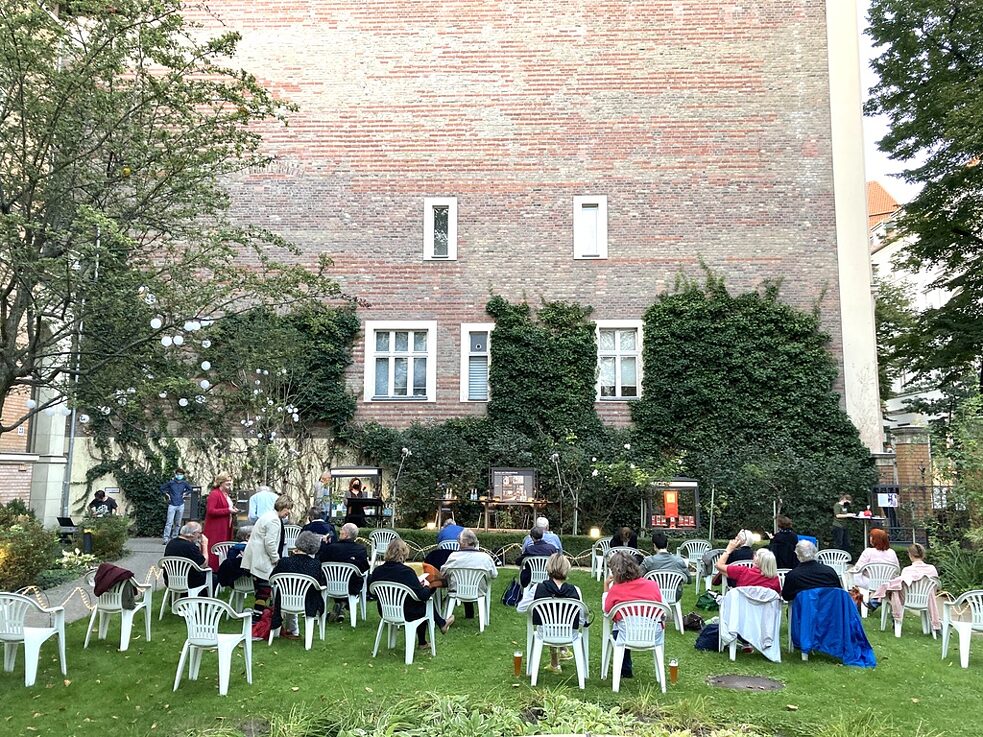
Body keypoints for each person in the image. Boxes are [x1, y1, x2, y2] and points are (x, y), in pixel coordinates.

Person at [368, 539, 453, 650]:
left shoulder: (377, 571)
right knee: (424, 602)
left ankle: (437, 628)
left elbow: (372, 593)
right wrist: (427, 586)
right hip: (407, 612)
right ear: (404, 553)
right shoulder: (406, 572)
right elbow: (422, 595)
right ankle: (432, 632)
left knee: (419, 602)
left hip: (385, 610)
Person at [603, 551, 662, 679]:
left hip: (626, 633)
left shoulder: (616, 590)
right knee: (624, 625)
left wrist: (606, 586)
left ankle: (625, 668)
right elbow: (660, 606)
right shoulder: (653, 585)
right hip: (652, 633)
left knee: (619, 628)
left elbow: (607, 610)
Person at [518, 552, 581, 673]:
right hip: (569, 633)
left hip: (545, 632)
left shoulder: (538, 588)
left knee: (549, 623)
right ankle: (556, 662)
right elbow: (582, 619)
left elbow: (521, 608)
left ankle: (554, 664)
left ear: (548, 568)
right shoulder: (576, 590)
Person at [241, 494, 294, 619]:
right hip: (262, 558)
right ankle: (258, 618)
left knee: (260, 590)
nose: (289, 512)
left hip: (255, 556)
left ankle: (260, 615)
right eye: (288, 509)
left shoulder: (266, 515)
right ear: (282, 506)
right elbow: (269, 543)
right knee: (264, 590)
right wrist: (276, 558)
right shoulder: (274, 520)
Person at [270, 531, 328, 640]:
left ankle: (291, 630)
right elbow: (321, 584)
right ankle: (294, 630)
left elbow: (272, 579)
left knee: (289, 590)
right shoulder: (315, 564)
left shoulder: (284, 562)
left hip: (284, 600)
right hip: (307, 601)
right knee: (314, 593)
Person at [871, 543, 941, 631]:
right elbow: (935, 586)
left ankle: (879, 606)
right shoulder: (932, 569)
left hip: (907, 599)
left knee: (894, 592)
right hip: (926, 600)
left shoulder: (907, 570)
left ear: (910, 555)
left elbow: (900, 585)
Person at [441, 528, 498, 620]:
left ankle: (446, 616)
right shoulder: (485, 558)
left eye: (459, 541)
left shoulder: (453, 557)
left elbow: (442, 573)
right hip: (479, 590)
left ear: (463, 542)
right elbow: (494, 575)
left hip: (456, 589)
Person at [319, 522, 369, 621]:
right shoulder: (360, 549)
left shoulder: (331, 548)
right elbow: (364, 568)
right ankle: (344, 604)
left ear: (346, 534)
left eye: (341, 530)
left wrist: (324, 544)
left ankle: (340, 604)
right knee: (359, 578)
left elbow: (321, 561)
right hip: (351, 586)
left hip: (330, 584)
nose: (340, 532)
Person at [848, 528, 900, 603]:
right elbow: (896, 571)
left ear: (875, 540)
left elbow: (858, 568)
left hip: (870, 582)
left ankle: (857, 600)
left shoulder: (868, 552)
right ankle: (875, 598)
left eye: (872, 537)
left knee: (851, 576)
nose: (870, 539)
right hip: (886, 583)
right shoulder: (892, 552)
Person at [715, 535, 781, 594]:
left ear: (757, 561)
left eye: (756, 554)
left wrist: (729, 549)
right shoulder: (775, 580)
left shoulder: (743, 572)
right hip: (764, 607)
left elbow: (719, 565)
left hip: (743, 606)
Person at [640, 531, 691, 599]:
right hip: (674, 595)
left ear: (654, 545)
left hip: (653, 594)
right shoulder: (679, 560)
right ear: (667, 544)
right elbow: (689, 580)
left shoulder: (648, 561)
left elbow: (637, 576)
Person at [163, 521, 211, 593]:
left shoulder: (171, 543)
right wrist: (204, 545)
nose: (200, 536)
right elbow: (204, 564)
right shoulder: (190, 547)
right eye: (200, 533)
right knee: (214, 578)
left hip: (170, 580)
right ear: (193, 534)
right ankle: (205, 600)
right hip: (190, 581)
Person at [204, 472, 237, 571]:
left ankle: (222, 569)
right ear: (221, 482)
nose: (230, 483)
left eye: (230, 481)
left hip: (225, 526)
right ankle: (213, 570)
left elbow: (226, 507)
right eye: (227, 481)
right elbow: (210, 510)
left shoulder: (225, 494)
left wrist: (232, 510)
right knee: (216, 549)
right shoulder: (214, 494)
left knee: (224, 548)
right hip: (215, 528)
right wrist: (228, 510)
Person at [160, 468, 193, 543]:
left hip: (181, 504)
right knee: (169, 522)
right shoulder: (171, 483)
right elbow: (162, 488)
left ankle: (174, 537)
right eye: (178, 474)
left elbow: (190, 489)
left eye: (181, 474)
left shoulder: (184, 483)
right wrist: (167, 495)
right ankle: (166, 539)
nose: (179, 475)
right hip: (172, 505)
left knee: (178, 523)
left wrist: (185, 494)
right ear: (175, 474)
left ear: (183, 475)